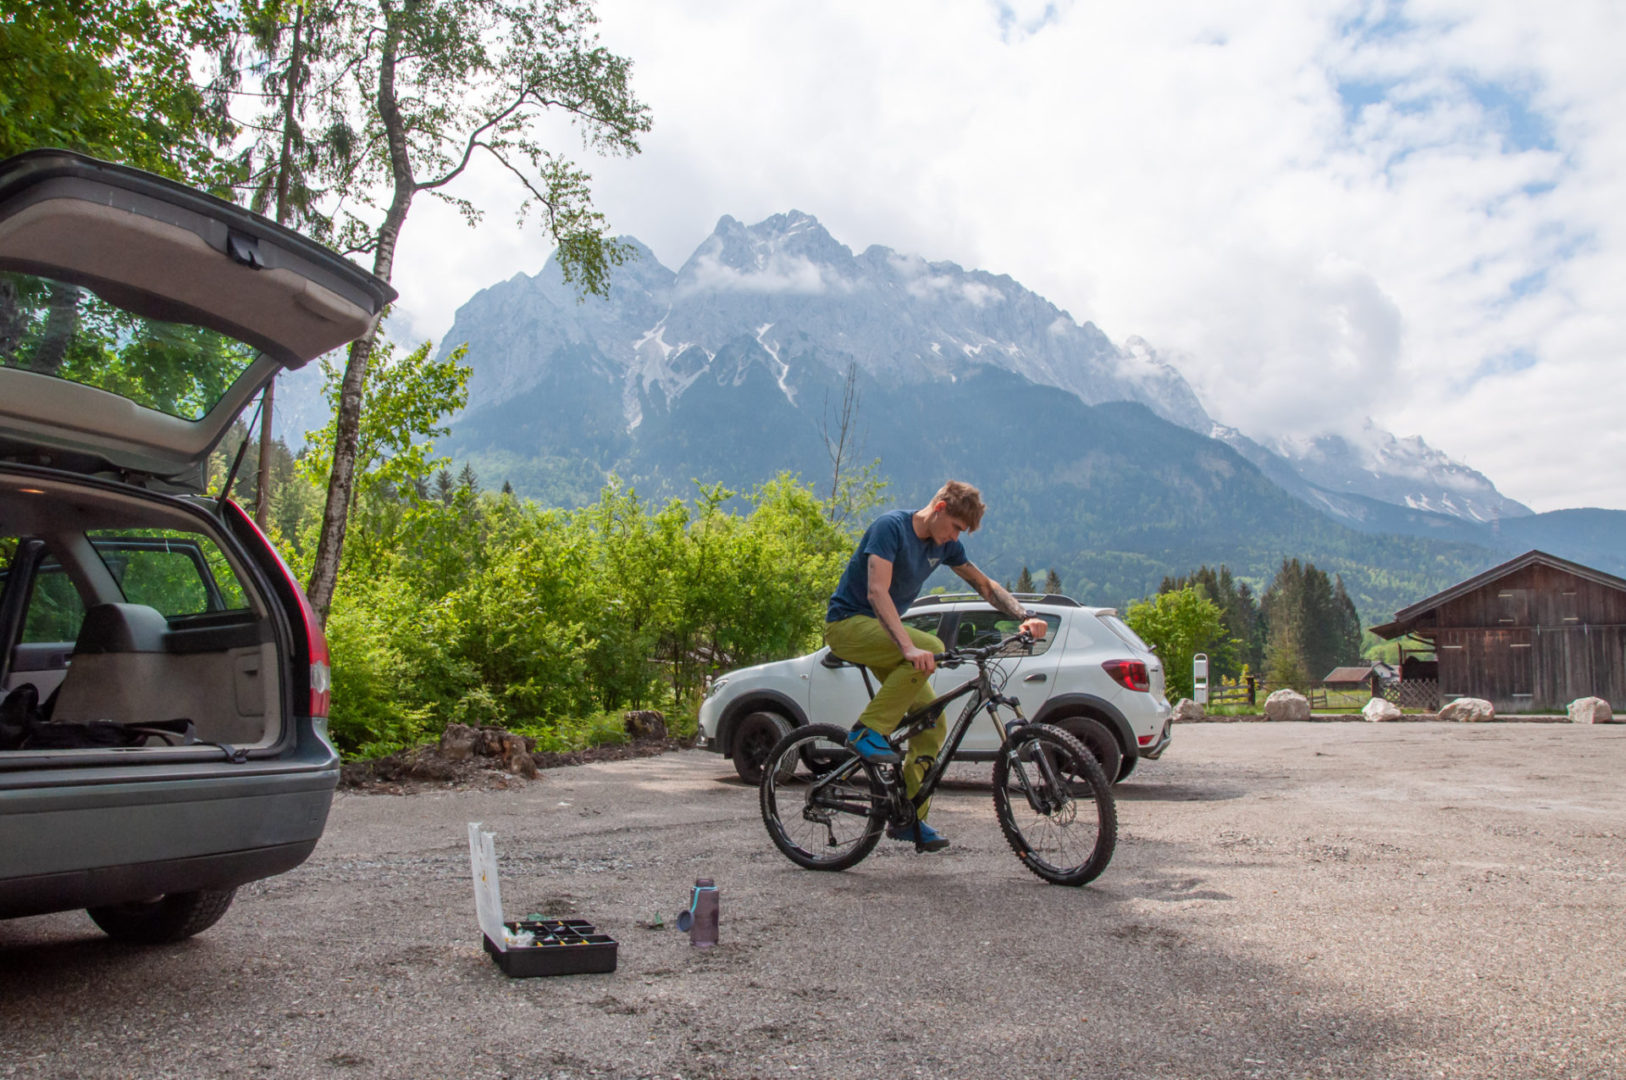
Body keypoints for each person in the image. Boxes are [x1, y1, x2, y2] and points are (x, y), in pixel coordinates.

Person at [824, 480, 1047, 852]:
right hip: (848, 626)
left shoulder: (944, 546)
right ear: (940, 508)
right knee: (930, 646)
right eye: (956, 528)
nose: (954, 538)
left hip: (883, 636)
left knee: (931, 722)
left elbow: (985, 586)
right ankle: (866, 732)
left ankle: (909, 819)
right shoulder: (890, 528)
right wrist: (909, 646)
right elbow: (876, 592)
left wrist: (1026, 615)